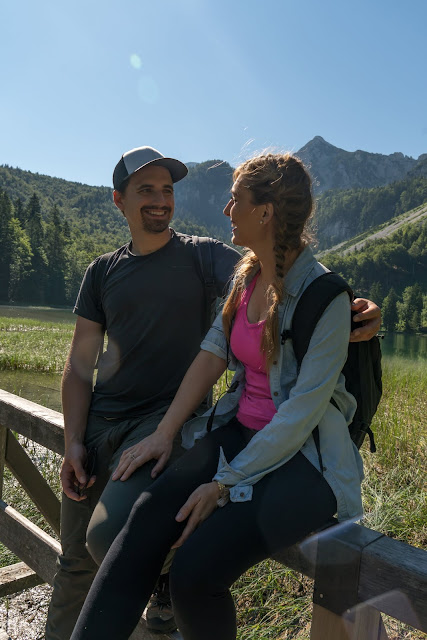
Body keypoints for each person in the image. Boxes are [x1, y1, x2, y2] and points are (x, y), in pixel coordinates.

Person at [70, 152, 369, 640]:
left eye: (236, 200)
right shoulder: (247, 278)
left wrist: (225, 482)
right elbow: (213, 351)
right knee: (145, 518)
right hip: (238, 433)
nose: (227, 210)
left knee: (194, 574)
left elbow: (299, 415)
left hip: (304, 461)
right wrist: (166, 435)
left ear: (266, 211)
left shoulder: (325, 296)